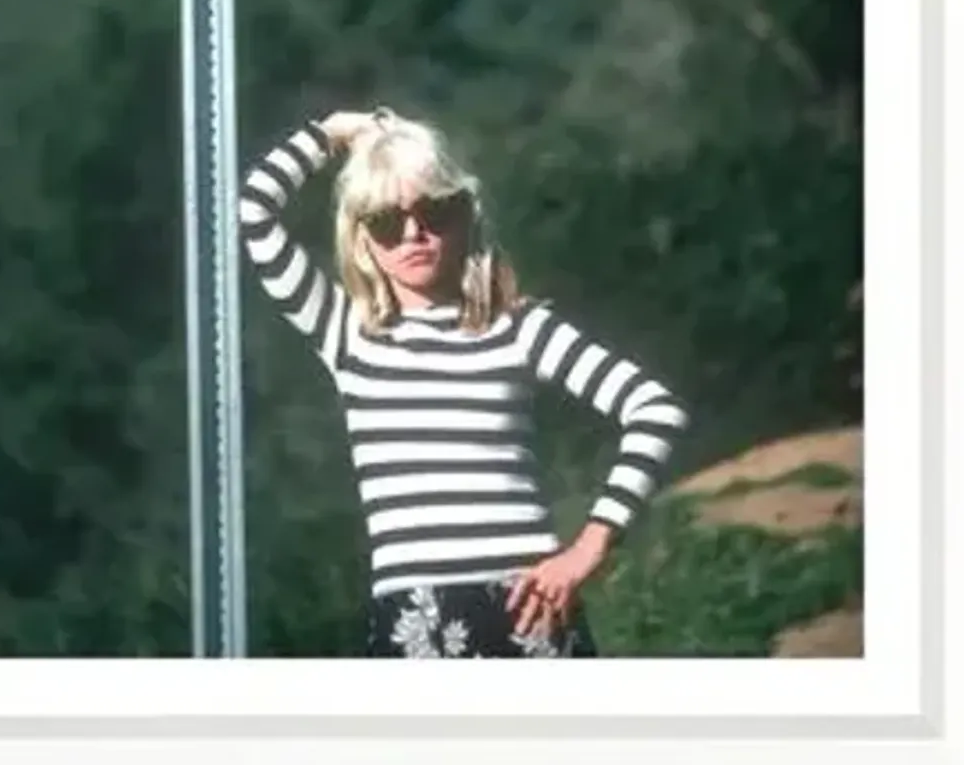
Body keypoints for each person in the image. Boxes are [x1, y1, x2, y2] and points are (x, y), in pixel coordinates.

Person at [238, 105, 690, 659]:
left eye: (435, 210)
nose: (413, 232)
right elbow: (255, 212)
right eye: (385, 219)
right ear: (362, 240)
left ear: (465, 215)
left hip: (531, 610)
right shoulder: (346, 333)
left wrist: (588, 548)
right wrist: (336, 131)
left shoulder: (520, 328)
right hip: (412, 620)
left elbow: (654, 409)